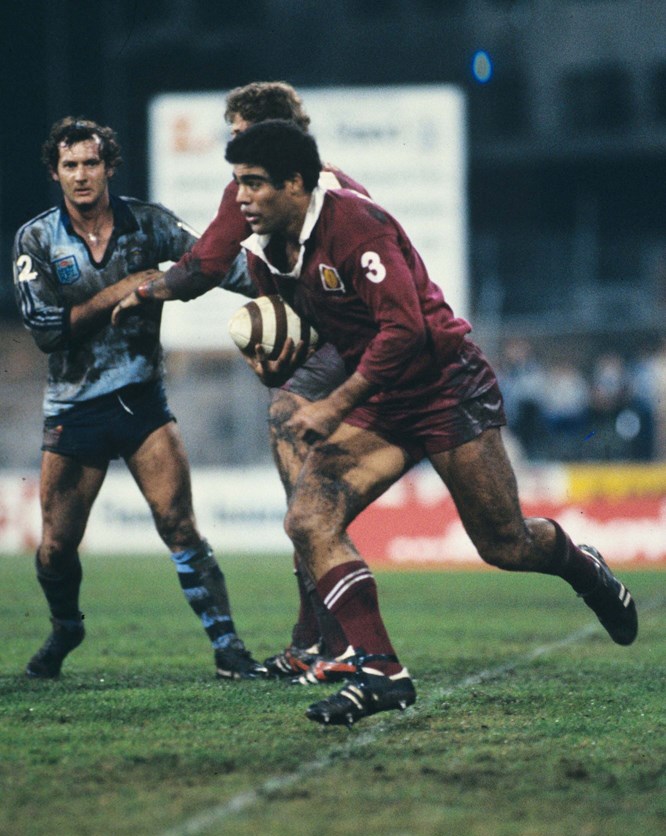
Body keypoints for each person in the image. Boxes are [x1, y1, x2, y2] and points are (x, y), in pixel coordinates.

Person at [223, 119, 639, 726]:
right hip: (384, 402)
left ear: (295, 183)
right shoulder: (266, 253)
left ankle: (584, 567)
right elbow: (325, 334)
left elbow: (406, 330)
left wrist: (334, 406)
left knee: (504, 544)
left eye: (254, 183)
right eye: (237, 182)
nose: (240, 197)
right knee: (308, 519)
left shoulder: (354, 224)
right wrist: (276, 365)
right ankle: (381, 672)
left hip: (446, 387)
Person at [113, 82, 369, 683]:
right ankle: (315, 639)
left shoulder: (272, 191)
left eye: (237, 134)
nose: (232, 151)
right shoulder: (338, 183)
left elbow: (204, 263)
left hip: (356, 348)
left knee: (306, 500)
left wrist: (147, 291)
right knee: (310, 505)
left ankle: (334, 642)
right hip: (359, 344)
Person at [12, 116, 265, 680]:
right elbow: (48, 332)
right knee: (55, 549)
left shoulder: (150, 223)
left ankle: (229, 650)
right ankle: (66, 627)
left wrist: (287, 288)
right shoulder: (36, 239)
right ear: (55, 173)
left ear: (109, 167)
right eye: (70, 165)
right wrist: (125, 288)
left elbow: (217, 261)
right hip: (74, 409)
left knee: (180, 526)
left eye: (91, 163)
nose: (81, 175)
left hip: (141, 402)